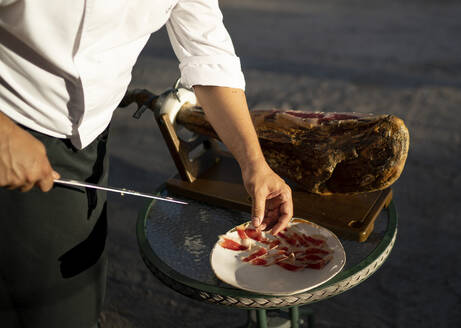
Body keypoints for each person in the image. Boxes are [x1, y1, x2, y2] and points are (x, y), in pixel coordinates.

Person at [0, 1, 293, 327]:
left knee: (73, 295)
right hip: (12, 120)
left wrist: (254, 163)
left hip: (86, 139)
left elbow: (209, 56)